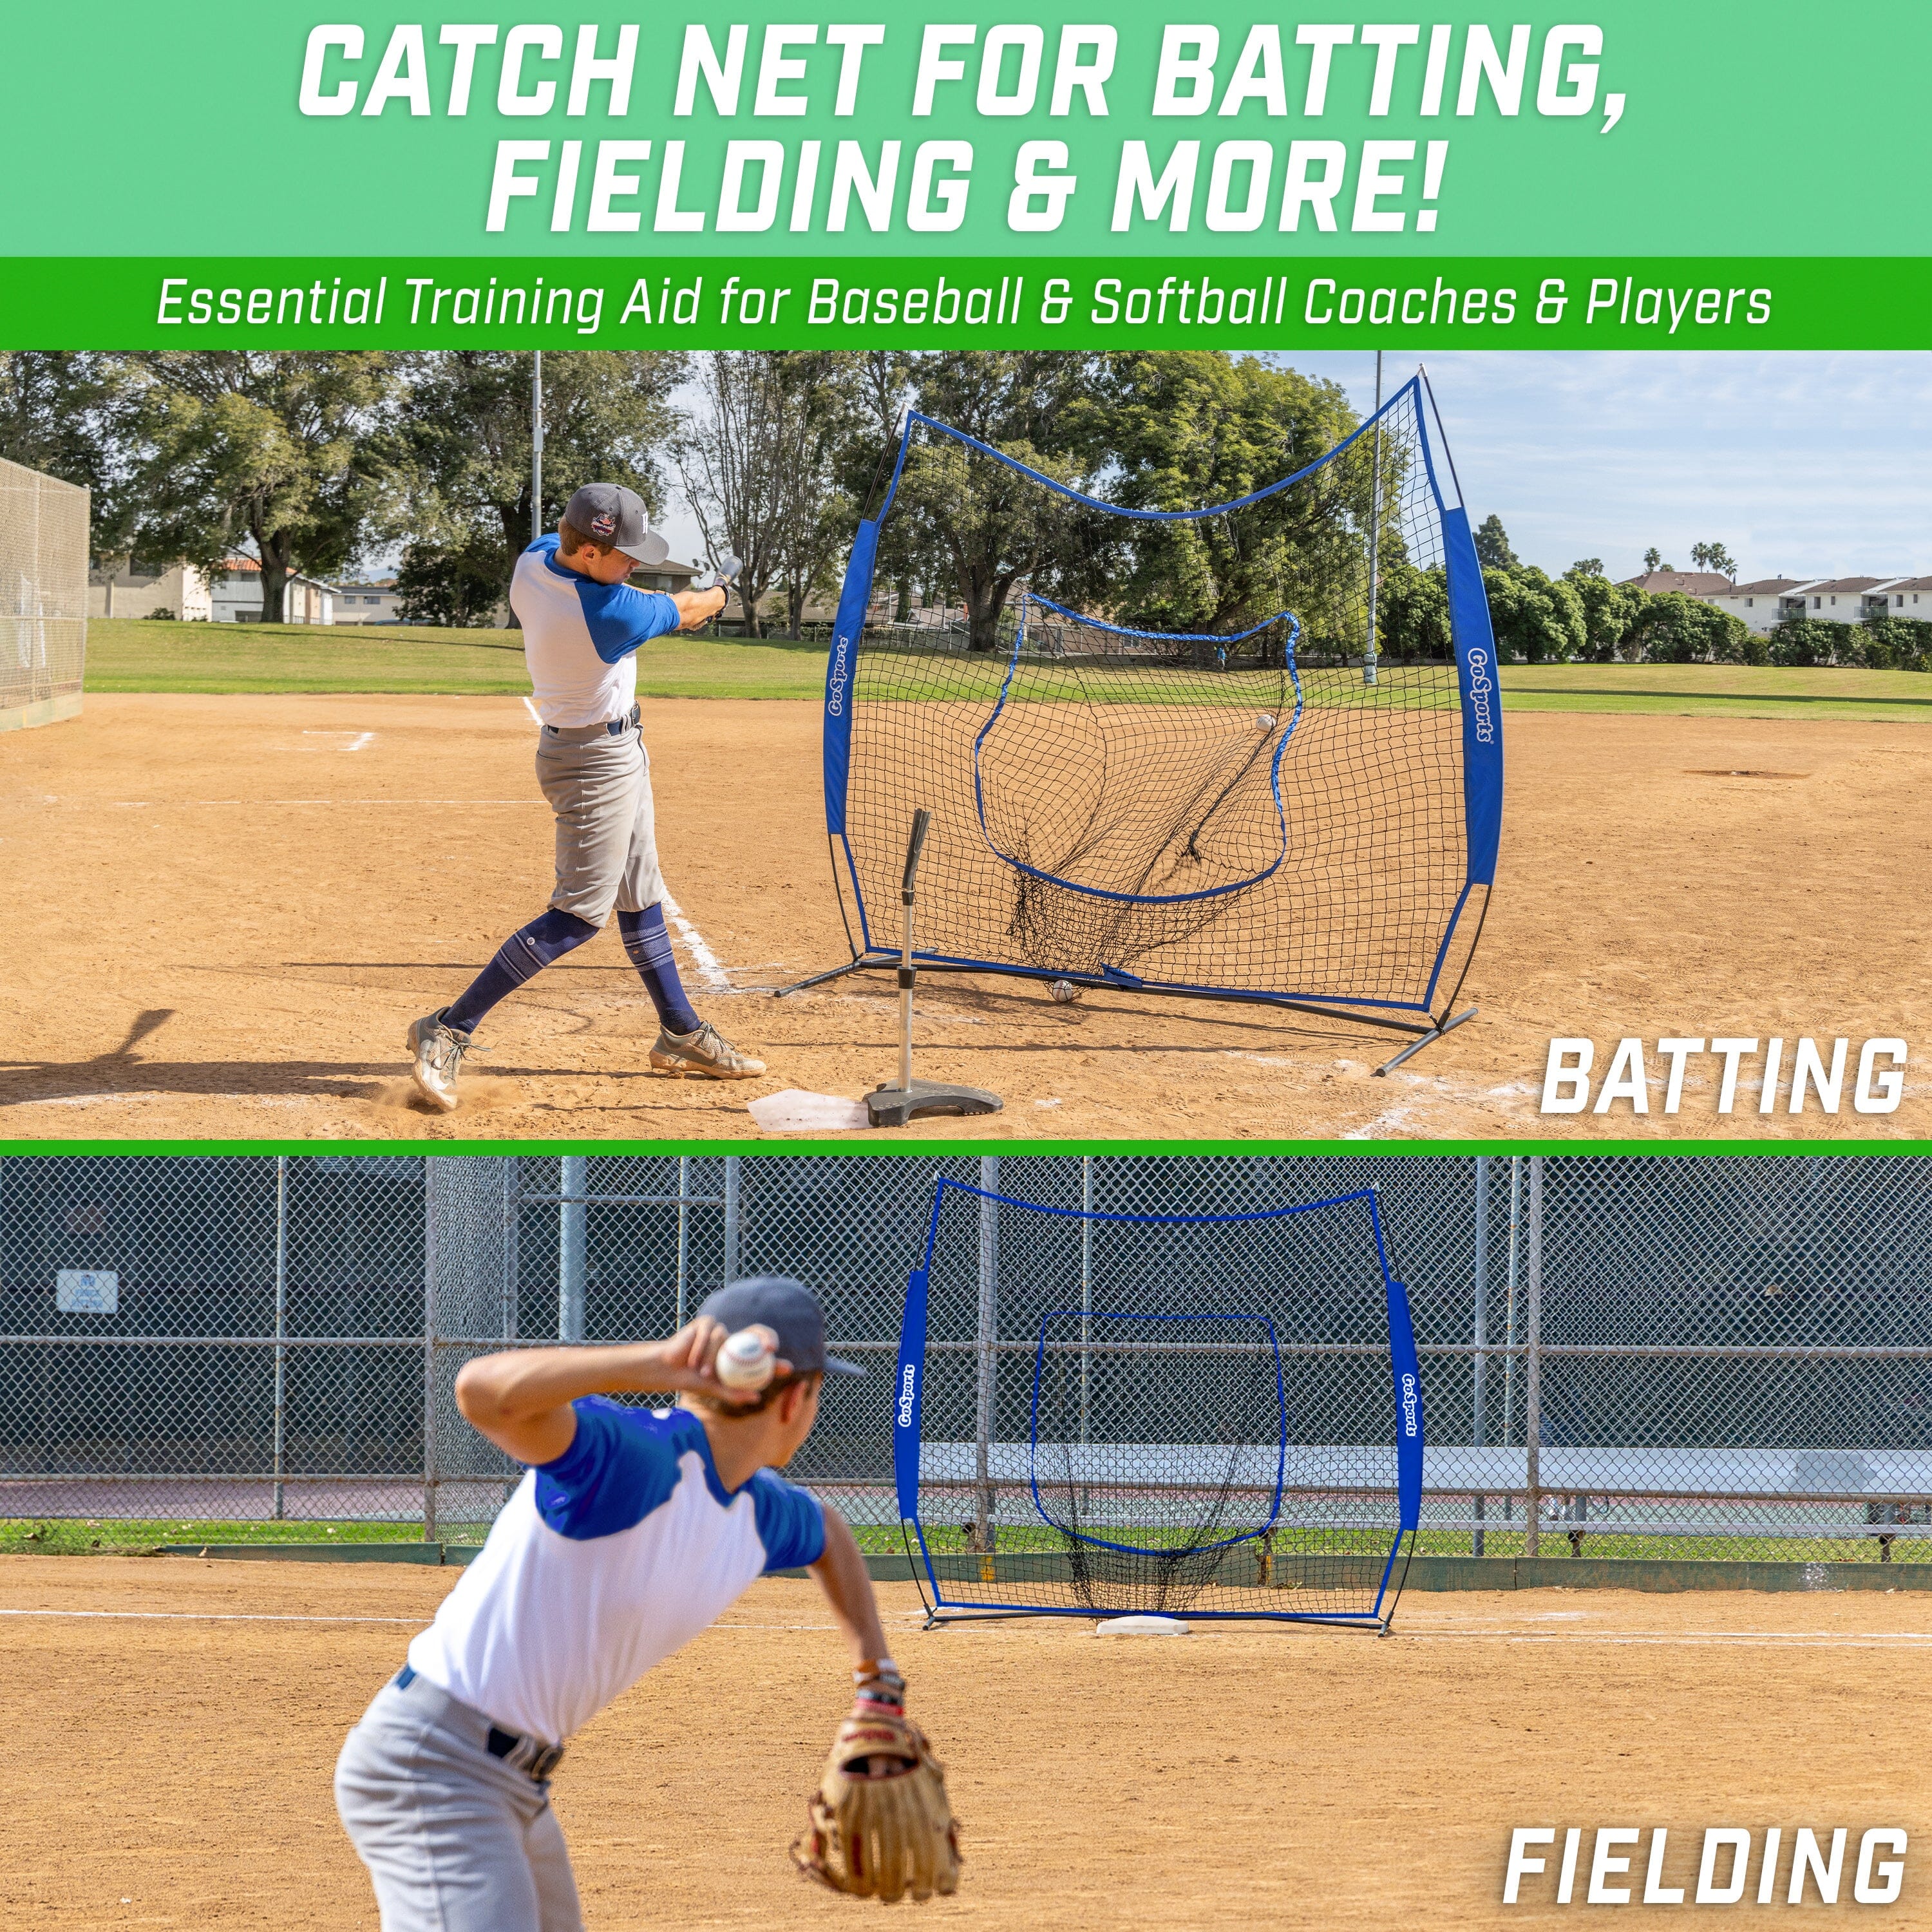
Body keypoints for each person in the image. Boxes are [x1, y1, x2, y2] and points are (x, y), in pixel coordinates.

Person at [335, 1276, 902, 1932]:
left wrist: (877, 1683)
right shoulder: (639, 1459)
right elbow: (481, 1394)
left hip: (515, 1789)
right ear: (798, 1398)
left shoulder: (755, 1508)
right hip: (434, 1769)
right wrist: (651, 1364)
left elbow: (829, 1535)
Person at [406, 481, 762, 1110]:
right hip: (593, 763)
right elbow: (687, 607)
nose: (634, 566)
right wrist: (720, 593)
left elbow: (646, 589)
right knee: (579, 913)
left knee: (640, 892)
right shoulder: (611, 613)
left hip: (617, 750)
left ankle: (680, 1033)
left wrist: (691, 595)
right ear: (592, 554)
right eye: (626, 555)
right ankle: (449, 1029)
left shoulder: (536, 559)